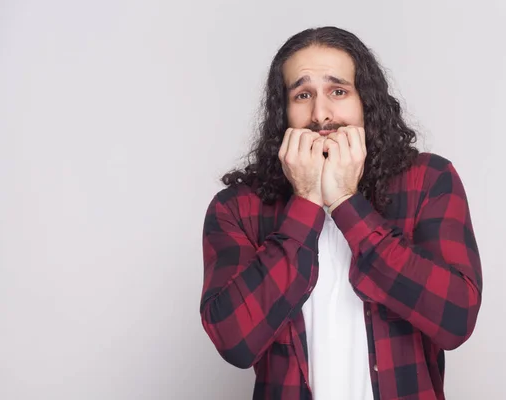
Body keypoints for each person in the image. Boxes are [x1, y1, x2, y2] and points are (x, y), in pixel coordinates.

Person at [200, 26, 482, 400]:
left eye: (338, 91)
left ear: (365, 101)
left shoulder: (429, 180)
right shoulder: (237, 208)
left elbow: (455, 319)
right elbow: (234, 341)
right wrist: (305, 201)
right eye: (302, 95)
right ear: (282, 113)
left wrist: (347, 202)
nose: (321, 115)